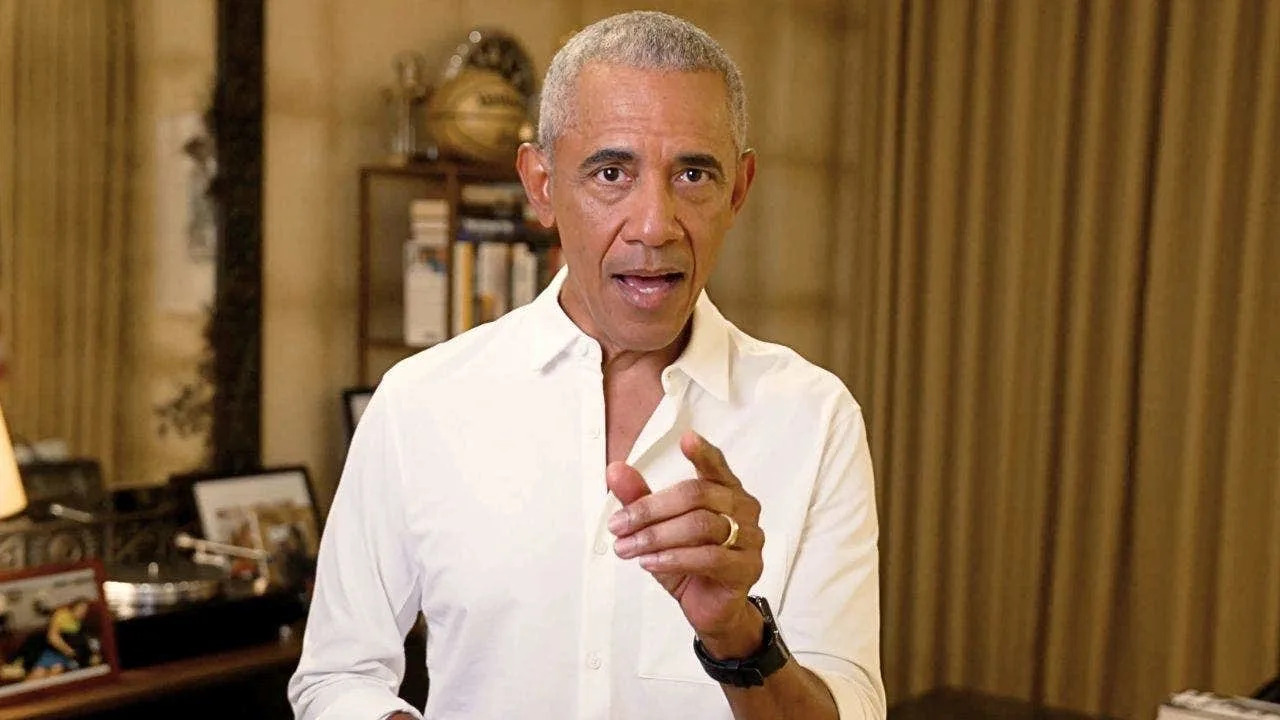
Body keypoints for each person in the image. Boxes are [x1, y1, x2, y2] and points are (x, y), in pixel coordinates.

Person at [289, 10, 884, 720]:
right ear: (541, 185)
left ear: (738, 190)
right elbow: (336, 678)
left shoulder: (815, 419)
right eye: (611, 172)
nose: (655, 225)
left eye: (694, 173)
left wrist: (739, 637)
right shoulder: (417, 403)